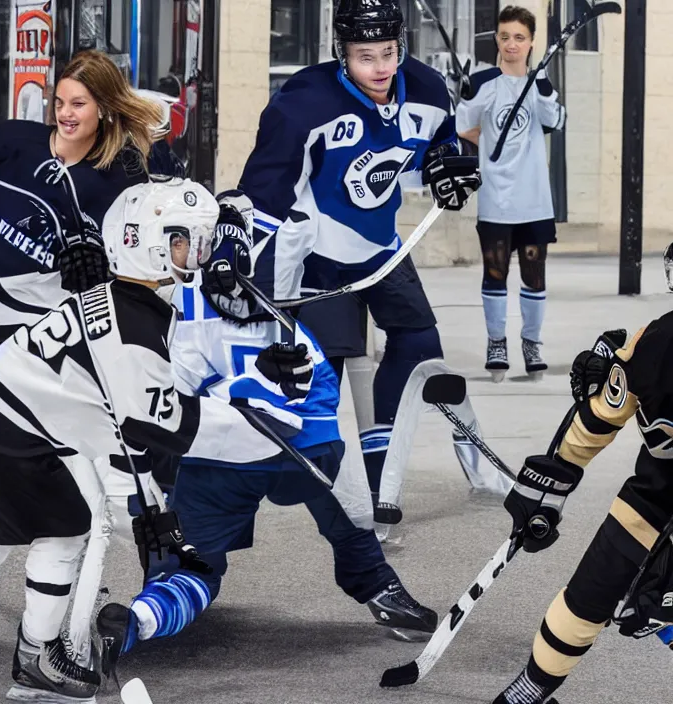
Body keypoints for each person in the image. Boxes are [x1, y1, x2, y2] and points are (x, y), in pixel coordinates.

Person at [95, 191, 438, 667]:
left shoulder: (170, 298)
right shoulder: (283, 255)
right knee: (351, 520)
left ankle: (142, 618)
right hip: (305, 440)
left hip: (226, 452)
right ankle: (381, 589)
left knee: (188, 561)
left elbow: (164, 407)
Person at [0, 178, 222, 701]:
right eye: (183, 241)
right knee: (65, 528)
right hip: (20, 423)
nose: (195, 253)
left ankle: (37, 656)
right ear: (149, 244)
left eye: (201, 240)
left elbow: (111, 418)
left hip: (6, 412)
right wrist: (256, 419)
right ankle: (37, 659)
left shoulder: (122, 298)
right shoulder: (134, 323)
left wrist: (148, 503)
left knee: (2, 529)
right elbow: (163, 427)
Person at [238, 0, 483, 510]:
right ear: (341, 53)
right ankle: (287, 473)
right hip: (316, 259)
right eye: (365, 56)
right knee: (318, 374)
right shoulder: (301, 104)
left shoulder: (428, 91)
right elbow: (261, 197)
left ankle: (380, 479)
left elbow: (438, 148)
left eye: (389, 53)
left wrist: (449, 168)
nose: (380, 69)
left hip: (381, 251)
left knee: (419, 344)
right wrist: (244, 265)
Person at [0, 48, 170, 604]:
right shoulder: (10, 139)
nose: (64, 112)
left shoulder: (121, 181)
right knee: (12, 466)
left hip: (27, 341)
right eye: (59, 101)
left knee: (24, 466)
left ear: (105, 108)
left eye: (78, 103)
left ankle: (29, 564)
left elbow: (143, 264)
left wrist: (98, 269)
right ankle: (16, 558)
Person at [490, 313, 673, 703]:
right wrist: (555, 478)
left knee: (661, 606)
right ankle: (531, 689)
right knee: (588, 594)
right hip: (653, 498)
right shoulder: (654, 340)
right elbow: (601, 418)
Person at [456, 6, 566, 383]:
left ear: (531, 41)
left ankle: (531, 344)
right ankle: (496, 343)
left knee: (535, 276)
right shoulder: (486, 82)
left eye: (519, 37)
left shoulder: (539, 84)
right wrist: (484, 142)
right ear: (497, 41)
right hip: (496, 201)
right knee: (495, 272)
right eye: (505, 37)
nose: (511, 44)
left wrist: (546, 88)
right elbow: (460, 123)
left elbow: (554, 121)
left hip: (534, 201)